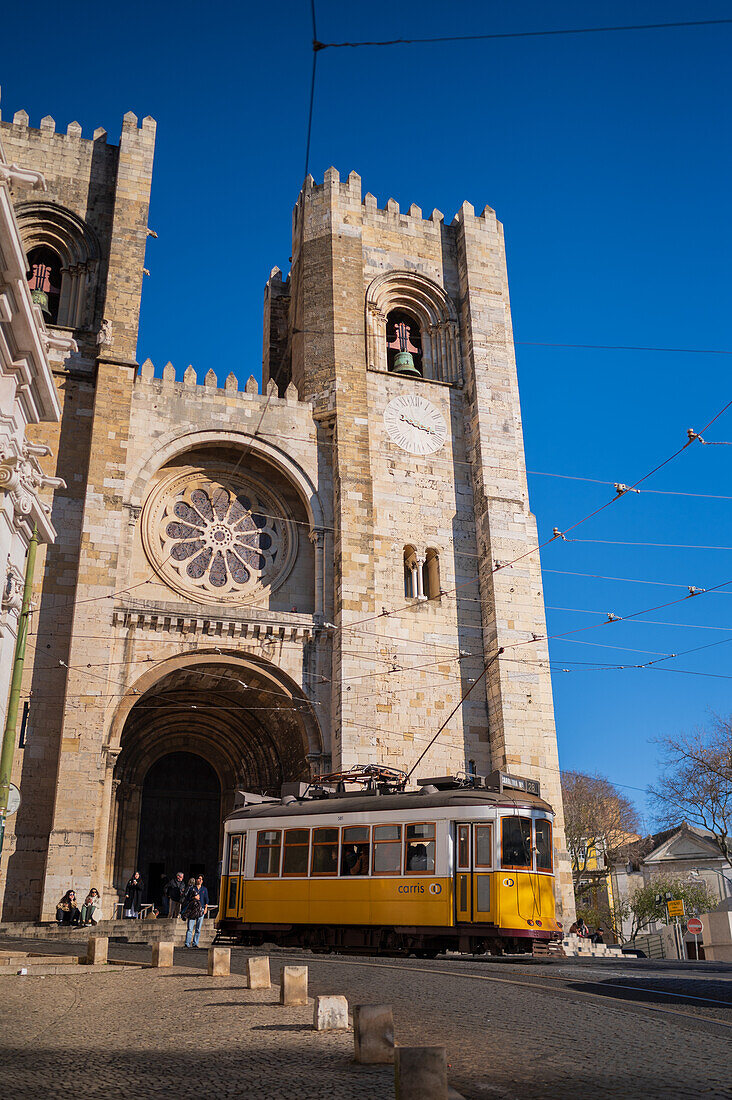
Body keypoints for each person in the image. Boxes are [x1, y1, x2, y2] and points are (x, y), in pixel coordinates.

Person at [184, 876, 209, 948]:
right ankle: (187, 943)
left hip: (201, 909)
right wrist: (193, 897)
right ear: (196, 880)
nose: (200, 880)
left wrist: (206, 908)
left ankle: (195, 943)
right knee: (190, 928)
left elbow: (206, 899)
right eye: (199, 879)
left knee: (198, 928)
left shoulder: (204, 889)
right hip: (192, 909)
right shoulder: (192, 888)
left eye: (201, 879)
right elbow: (187, 898)